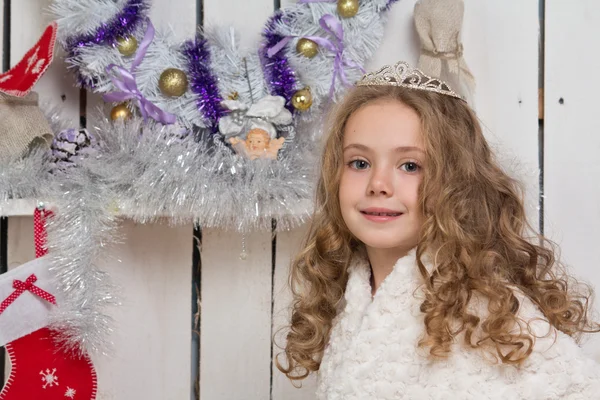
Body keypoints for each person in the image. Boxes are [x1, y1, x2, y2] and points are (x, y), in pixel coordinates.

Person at [276, 61, 600, 399]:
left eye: (410, 166)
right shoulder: (350, 295)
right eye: (360, 163)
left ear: (455, 183)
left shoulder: (489, 314)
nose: (378, 184)